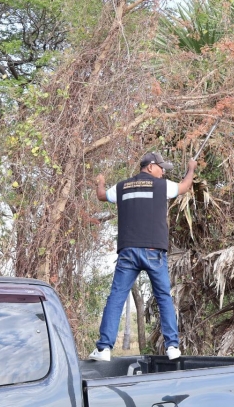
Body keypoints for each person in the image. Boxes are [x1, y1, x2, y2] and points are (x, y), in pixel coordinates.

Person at [89, 152, 198, 361]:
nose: (163, 172)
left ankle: (103, 349)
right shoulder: (162, 186)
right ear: (149, 167)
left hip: (128, 251)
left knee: (116, 297)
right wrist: (191, 168)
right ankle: (172, 346)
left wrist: (100, 181)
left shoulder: (121, 187)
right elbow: (185, 186)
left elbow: (101, 195)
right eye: (161, 167)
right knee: (163, 297)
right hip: (153, 250)